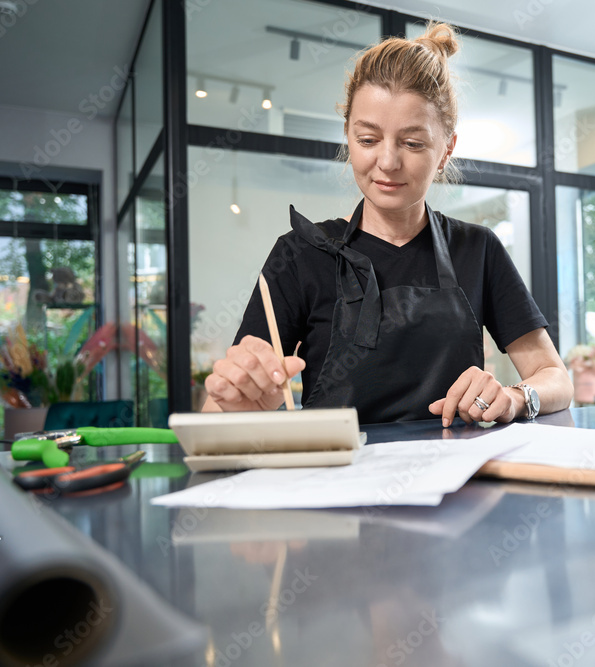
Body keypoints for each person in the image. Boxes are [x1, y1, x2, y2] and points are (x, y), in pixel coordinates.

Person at [203, 22, 573, 425]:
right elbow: (219, 412)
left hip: (457, 478)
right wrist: (237, 406)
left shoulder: (478, 249)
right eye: (367, 139)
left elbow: (556, 378)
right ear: (348, 134)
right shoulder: (299, 253)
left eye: (413, 143)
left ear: (446, 148)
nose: (388, 162)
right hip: (338, 478)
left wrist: (515, 396)